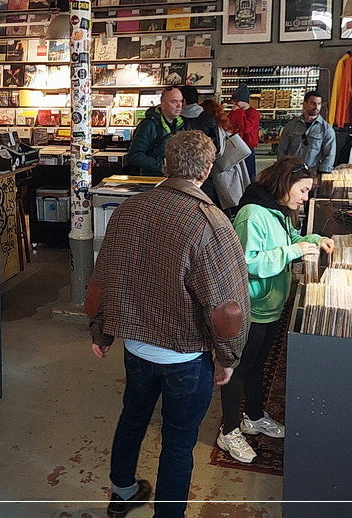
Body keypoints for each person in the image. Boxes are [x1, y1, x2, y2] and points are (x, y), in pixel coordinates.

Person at [86, 130, 251, 518]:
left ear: (164, 164)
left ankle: (122, 493)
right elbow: (227, 307)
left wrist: (101, 331)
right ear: (207, 170)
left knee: (132, 418)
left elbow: (104, 275)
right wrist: (228, 357)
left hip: (136, 348)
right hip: (185, 357)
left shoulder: (128, 210)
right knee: (178, 443)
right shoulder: (210, 223)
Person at [216, 157, 335, 464]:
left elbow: (291, 240)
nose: (305, 197)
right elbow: (247, 262)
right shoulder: (252, 214)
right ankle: (229, 431)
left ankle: (254, 417)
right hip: (252, 307)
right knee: (239, 370)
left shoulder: (277, 210)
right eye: (303, 190)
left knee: (257, 364)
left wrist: (314, 240)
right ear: (285, 183)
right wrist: (293, 251)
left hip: (270, 305)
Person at [200, 99, 250, 212]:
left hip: (221, 170)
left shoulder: (213, 129)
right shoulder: (223, 126)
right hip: (230, 168)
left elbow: (218, 152)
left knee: (220, 205)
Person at [127, 85, 184, 176]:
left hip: (174, 178)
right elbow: (134, 155)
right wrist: (162, 166)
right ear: (163, 105)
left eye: (181, 101)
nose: (179, 105)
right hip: (153, 179)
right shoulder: (148, 125)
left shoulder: (181, 124)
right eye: (173, 102)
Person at [277, 91, 337, 175]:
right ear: (304, 104)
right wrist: (283, 168)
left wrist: (322, 173)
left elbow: (330, 154)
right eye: (313, 103)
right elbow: (282, 149)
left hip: (313, 173)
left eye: (319, 104)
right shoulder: (291, 126)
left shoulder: (327, 129)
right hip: (291, 172)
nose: (316, 107)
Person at [228, 83, 260, 179]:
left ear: (244, 101)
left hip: (248, 147)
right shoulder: (235, 111)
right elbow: (229, 124)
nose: (235, 104)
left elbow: (246, 128)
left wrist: (238, 112)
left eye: (236, 101)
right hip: (236, 145)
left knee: (249, 173)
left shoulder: (254, 113)